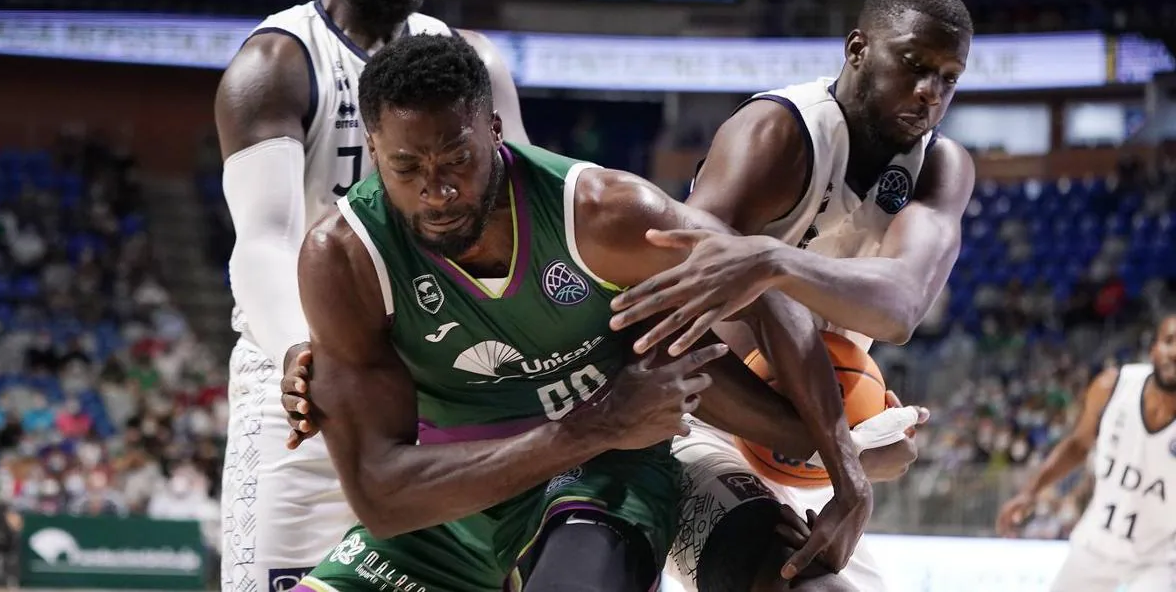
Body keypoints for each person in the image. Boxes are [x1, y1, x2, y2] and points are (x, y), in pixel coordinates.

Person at [285, 33, 913, 592]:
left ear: (495, 130)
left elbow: (764, 281)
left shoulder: (600, 212)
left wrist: (846, 470)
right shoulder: (343, 259)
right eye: (406, 168)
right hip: (456, 494)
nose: (439, 189)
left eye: (457, 159)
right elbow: (382, 496)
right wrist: (596, 422)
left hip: (599, 481)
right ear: (373, 150)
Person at [213, 0, 528, 592]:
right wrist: (299, 351)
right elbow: (262, 241)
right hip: (305, 380)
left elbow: (523, 215)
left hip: (438, 375)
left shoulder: (470, 65)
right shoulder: (277, 64)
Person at [606, 0, 976, 591]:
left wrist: (773, 262)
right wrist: (839, 451)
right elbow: (668, 320)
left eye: (948, 78)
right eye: (913, 65)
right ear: (858, 49)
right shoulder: (775, 135)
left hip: (818, 427)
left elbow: (903, 307)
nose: (928, 93)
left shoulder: (941, 167)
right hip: (700, 416)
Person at [996, 315, 1176, 591]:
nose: (1174, 352)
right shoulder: (1112, 386)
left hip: (1158, 561)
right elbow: (1078, 445)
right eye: (1169, 341)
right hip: (1096, 545)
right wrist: (1030, 492)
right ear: (1153, 348)